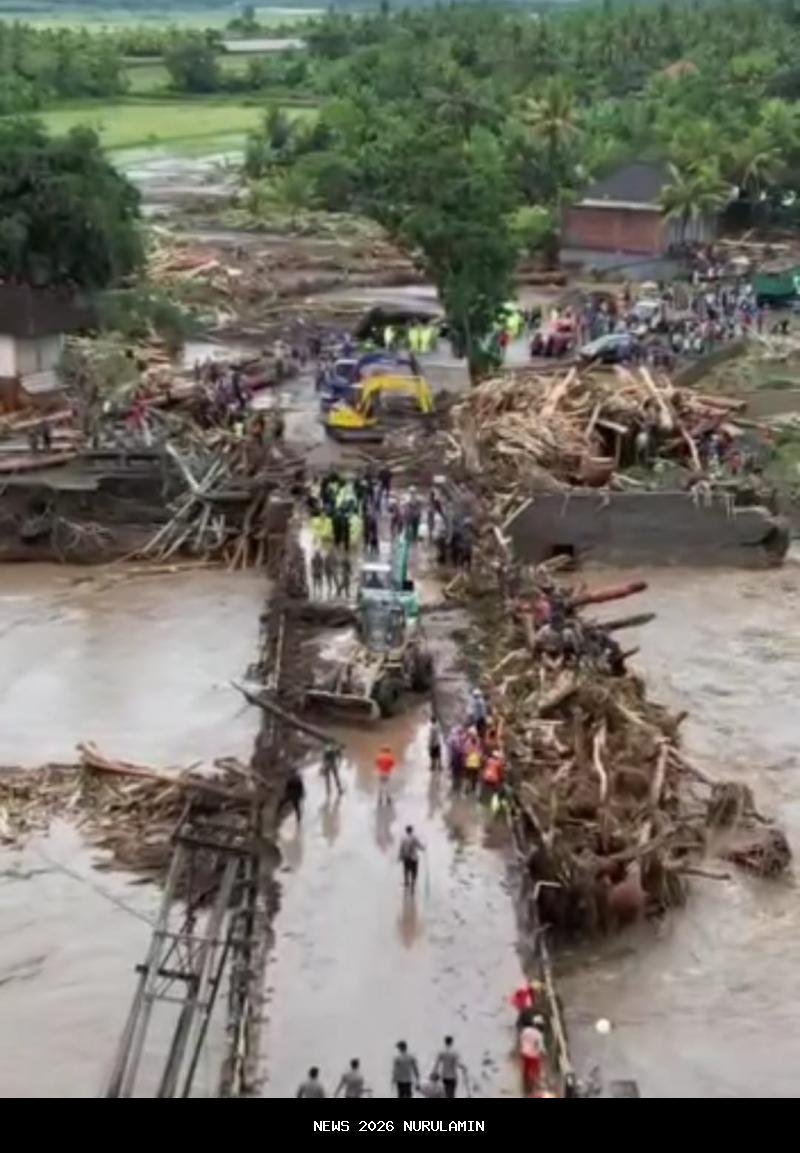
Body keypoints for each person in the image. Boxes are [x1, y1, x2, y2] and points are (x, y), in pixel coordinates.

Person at [519, 1016, 546, 1095]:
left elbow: (521, 1039)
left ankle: (525, 1085)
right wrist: (544, 1053)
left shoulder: (526, 1030)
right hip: (534, 1055)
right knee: (535, 1071)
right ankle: (532, 1087)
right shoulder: (539, 1035)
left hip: (524, 1053)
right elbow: (540, 1047)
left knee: (525, 1069)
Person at [398, 824, 424, 892]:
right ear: (411, 830)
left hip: (406, 857)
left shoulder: (403, 838)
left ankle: (407, 882)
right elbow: (419, 845)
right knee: (414, 871)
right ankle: (413, 882)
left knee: (406, 870)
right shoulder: (414, 837)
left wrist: (400, 856)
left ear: (406, 831)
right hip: (414, 858)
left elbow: (401, 848)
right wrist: (423, 848)